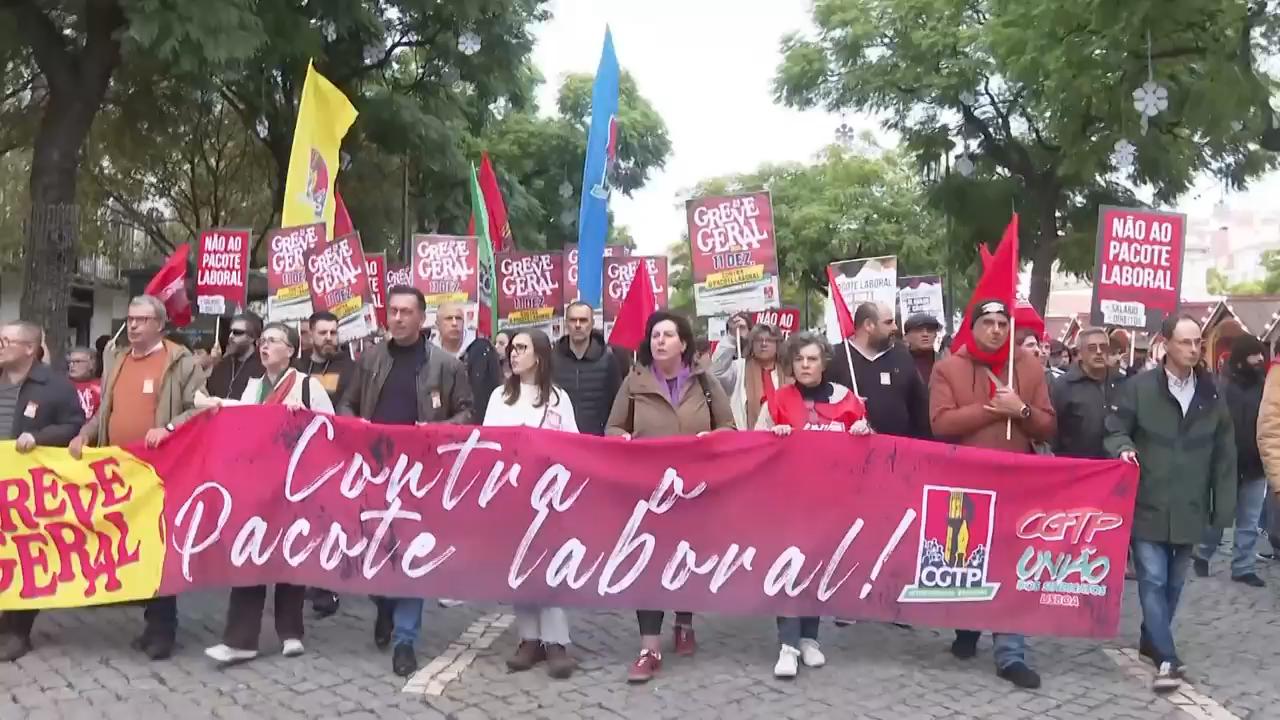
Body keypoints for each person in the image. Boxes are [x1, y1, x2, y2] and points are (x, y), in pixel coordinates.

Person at [338, 285, 473, 677]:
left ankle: (405, 640)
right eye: (392, 311)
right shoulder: (370, 359)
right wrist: (355, 424)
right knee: (375, 551)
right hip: (374, 470)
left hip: (420, 475)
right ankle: (384, 606)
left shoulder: (446, 365)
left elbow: (467, 414)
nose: (397, 318)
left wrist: (433, 430)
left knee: (411, 554)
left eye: (405, 312)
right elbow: (347, 401)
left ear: (421, 317)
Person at [1104, 314, 1236, 693]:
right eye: (1185, 342)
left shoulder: (1212, 393)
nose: (1194, 349)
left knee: (1175, 583)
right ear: (1166, 343)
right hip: (1148, 500)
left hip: (1190, 504)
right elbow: (1114, 430)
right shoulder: (1140, 388)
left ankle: (1151, 637)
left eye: (1197, 342)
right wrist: (1125, 449)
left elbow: (1224, 453)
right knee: (1153, 578)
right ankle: (1166, 657)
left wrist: (1221, 507)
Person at [69, 295, 205, 660]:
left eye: (141, 320)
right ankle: (150, 622)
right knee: (133, 546)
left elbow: (202, 408)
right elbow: (105, 411)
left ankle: (164, 629)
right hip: (119, 472)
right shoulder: (118, 360)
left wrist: (171, 427)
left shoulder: (180, 361)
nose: (132, 326)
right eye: (129, 319)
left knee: (159, 547)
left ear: (159, 325)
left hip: (161, 471)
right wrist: (85, 433)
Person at [930, 300, 1055, 690]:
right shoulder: (948, 367)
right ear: (973, 327)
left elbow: (1048, 427)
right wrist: (992, 408)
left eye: (1004, 322)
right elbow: (941, 424)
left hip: (1017, 484)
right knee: (964, 558)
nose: (998, 329)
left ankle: (1011, 654)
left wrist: (1021, 411)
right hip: (963, 483)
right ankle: (966, 626)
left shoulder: (1030, 366)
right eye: (989, 322)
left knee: (1010, 564)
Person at [606, 310, 734, 683]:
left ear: (683, 343)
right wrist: (622, 440)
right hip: (648, 492)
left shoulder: (705, 381)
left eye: (668, 334)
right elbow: (614, 426)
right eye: (655, 335)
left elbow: (727, 426)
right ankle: (649, 647)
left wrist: (714, 440)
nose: (659, 340)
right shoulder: (635, 381)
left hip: (694, 490)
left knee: (686, 558)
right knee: (647, 563)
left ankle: (684, 619)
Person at [203, 323, 333, 665]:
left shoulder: (308, 386)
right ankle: (240, 639)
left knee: (289, 555)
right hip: (258, 483)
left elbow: (330, 429)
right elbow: (245, 424)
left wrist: (303, 417)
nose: (265, 347)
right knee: (251, 555)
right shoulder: (254, 386)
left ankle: (291, 632)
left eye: (273, 341)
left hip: (295, 484)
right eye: (263, 341)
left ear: (291, 350)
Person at [755, 331, 870, 678]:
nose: (805, 365)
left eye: (812, 359)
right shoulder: (775, 401)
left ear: (824, 363)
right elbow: (755, 446)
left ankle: (810, 638)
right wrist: (772, 438)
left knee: (819, 569)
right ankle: (788, 644)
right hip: (788, 502)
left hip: (831, 502)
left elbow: (868, 453)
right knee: (791, 570)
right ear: (791, 364)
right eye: (799, 359)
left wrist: (865, 431)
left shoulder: (848, 401)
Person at [485, 329, 580, 679]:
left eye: (521, 348)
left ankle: (556, 642)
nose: (513, 353)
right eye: (512, 348)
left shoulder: (558, 399)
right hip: (512, 496)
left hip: (549, 497)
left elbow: (573, 444)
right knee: (520, 568)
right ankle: (529, 638)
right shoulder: (499, 397)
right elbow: (489, 443)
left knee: (550, 569)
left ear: (538, 355)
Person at [0, 321, 86, 662]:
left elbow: (73, 424)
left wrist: (39, 437)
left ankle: (18, 629)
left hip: (28, 488)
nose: (1, 345)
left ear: (29, 349)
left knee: (24, 554)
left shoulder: (55, 387)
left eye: (7, 340)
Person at [292, 310, 355, 617]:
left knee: (330, 521)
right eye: (323, 333)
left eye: (334, 332)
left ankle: (326, 587)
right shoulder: (296, 367)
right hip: (297, 457)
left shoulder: (351, 369)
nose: (329, 338)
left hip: (333, 454)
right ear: (310, 334)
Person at [1191, 334, 1267, 586]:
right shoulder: (1219, 385)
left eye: (1260, 354)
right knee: (1219, 516)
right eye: (1254, 354)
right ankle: (1202, 553)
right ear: (1241, 357)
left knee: (1250, 521)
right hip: (1227, 462)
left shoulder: (1265, 385)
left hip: (1257, 464)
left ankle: (1243, 567)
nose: (1259, 358)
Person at [826, 302, 930, 439]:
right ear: (869, 325)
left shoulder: (902, 356)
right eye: (888, 322)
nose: (895, 327)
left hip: (898, 453)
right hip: (847, 452)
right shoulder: (835, 358)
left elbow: (920, 410)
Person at [1050, 327, 1124, 459]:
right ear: (1080, 353)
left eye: (1103, 347)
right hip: (1077, 468)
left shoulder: (1122, 382)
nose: (1099, 352)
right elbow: (1053, 434)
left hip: (1114, 467)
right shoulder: (1063, 386)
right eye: (1092, 348)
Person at [552, 301, 622, 436]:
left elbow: (617, 404)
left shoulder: (608, 360)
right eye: (573, 320)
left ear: (592, 323)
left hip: (597, 440)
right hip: (561, 438)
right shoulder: (552, 359)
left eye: (583, 320)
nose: (578, 325)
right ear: (566, 323)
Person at [433, 301, 501, 423]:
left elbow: (495, 389)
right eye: (449, 318)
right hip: (437, 428)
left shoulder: (482, 351)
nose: (454, 323)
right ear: (437, 324)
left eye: (458, 318)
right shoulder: (428, 353)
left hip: (478, 425)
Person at [710, 322, 785, 430]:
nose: (763, 344)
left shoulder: (787, 373)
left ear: (778, 344)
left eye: (769, 340)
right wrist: (731, 337)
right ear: (752, 344)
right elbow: (717, 370)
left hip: (783, 439)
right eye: (758, 340)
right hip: (745, 440)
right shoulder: (739, 367)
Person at [206, 312, 264, 400]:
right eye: (230, 332)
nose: (231, 336)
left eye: (237, 332)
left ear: (253, 337)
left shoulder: (262, 366)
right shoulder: (221, 365)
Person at [902, 313, 942, 384]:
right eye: (918, 330)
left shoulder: (945, 361)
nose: (925, 334)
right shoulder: (898, 364)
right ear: (906, 337)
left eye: (930, 330)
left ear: (935, 335)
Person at [66, 346, 102, 420]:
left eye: (78, 361)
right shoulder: (61, 385)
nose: (72, 365)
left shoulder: (103, 386)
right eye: (70, 362)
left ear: (92, 364)